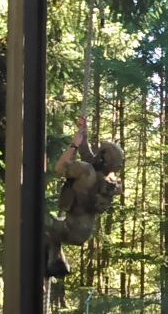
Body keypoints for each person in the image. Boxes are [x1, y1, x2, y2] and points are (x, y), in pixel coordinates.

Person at [45, 116, 123, 277]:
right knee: (52, 231)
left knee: (38, 219)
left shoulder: (85, 171)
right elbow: (88, 156)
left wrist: (74, 145)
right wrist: (83, 134)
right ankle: (57, 263)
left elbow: (59, 168)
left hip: (69, 229)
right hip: (82, 233)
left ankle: (53, 263)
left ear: (101, 158)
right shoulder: (106, 180)